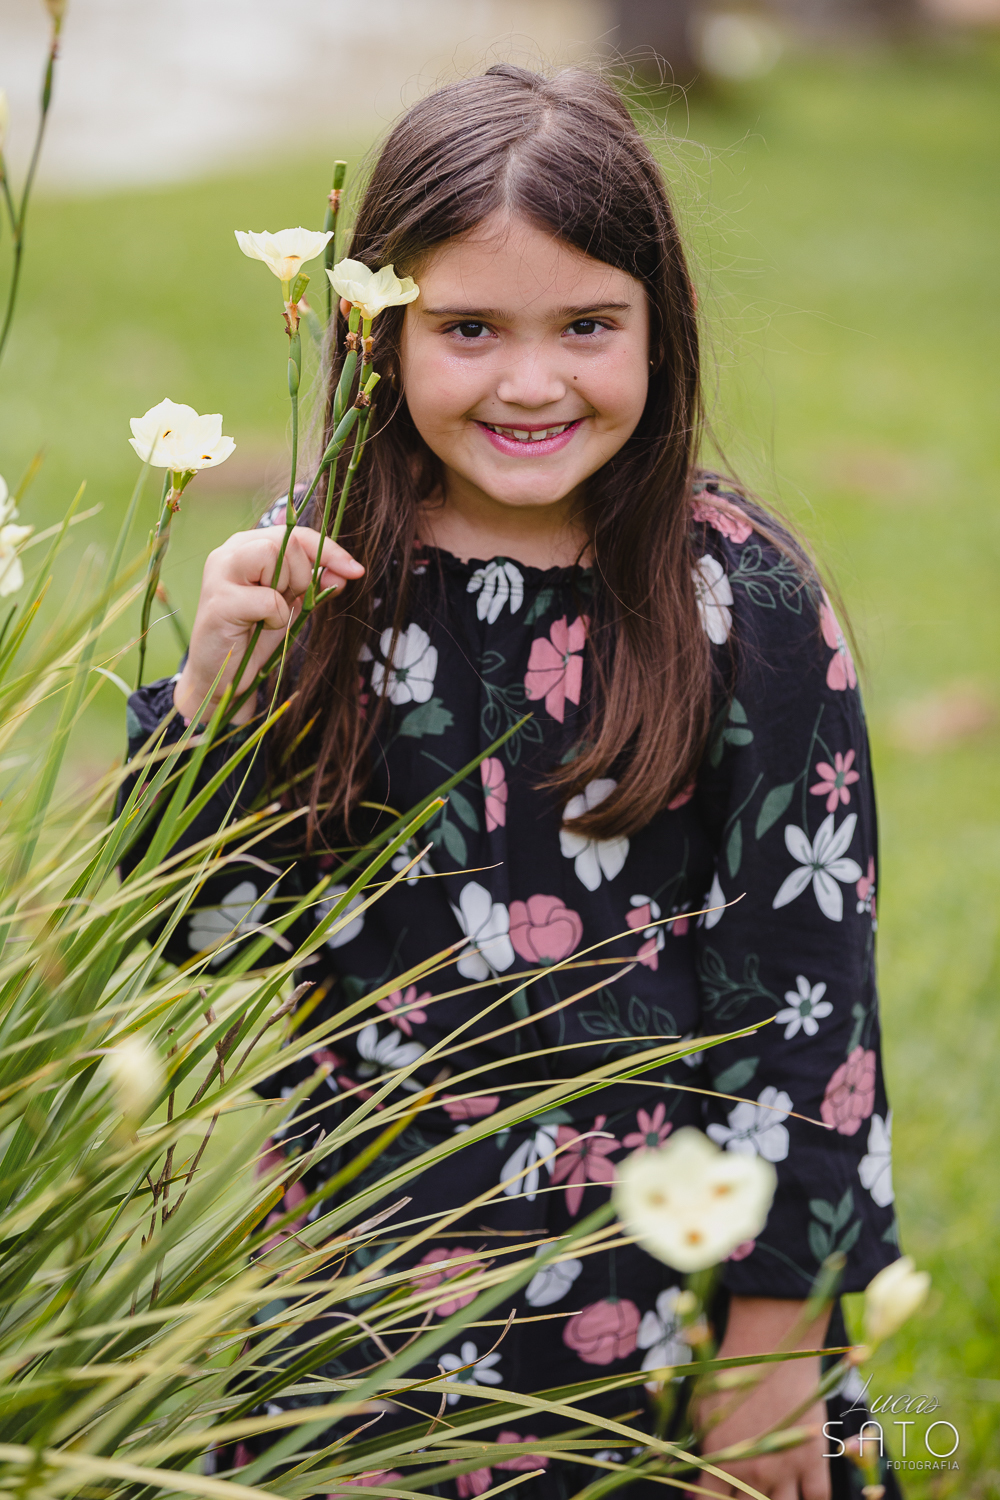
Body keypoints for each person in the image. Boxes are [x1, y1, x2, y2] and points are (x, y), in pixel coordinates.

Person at [126, 64, 900, 1500]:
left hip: (673, 1302)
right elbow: (203, 934)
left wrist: (777, 1345)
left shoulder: (745, 600)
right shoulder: (321, 580)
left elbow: (813, 1006)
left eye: (588, 327)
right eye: (469, 327)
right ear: (378, 332)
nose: (532, 381)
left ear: (659, 332)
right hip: (365, 1295)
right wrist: (212, 691)